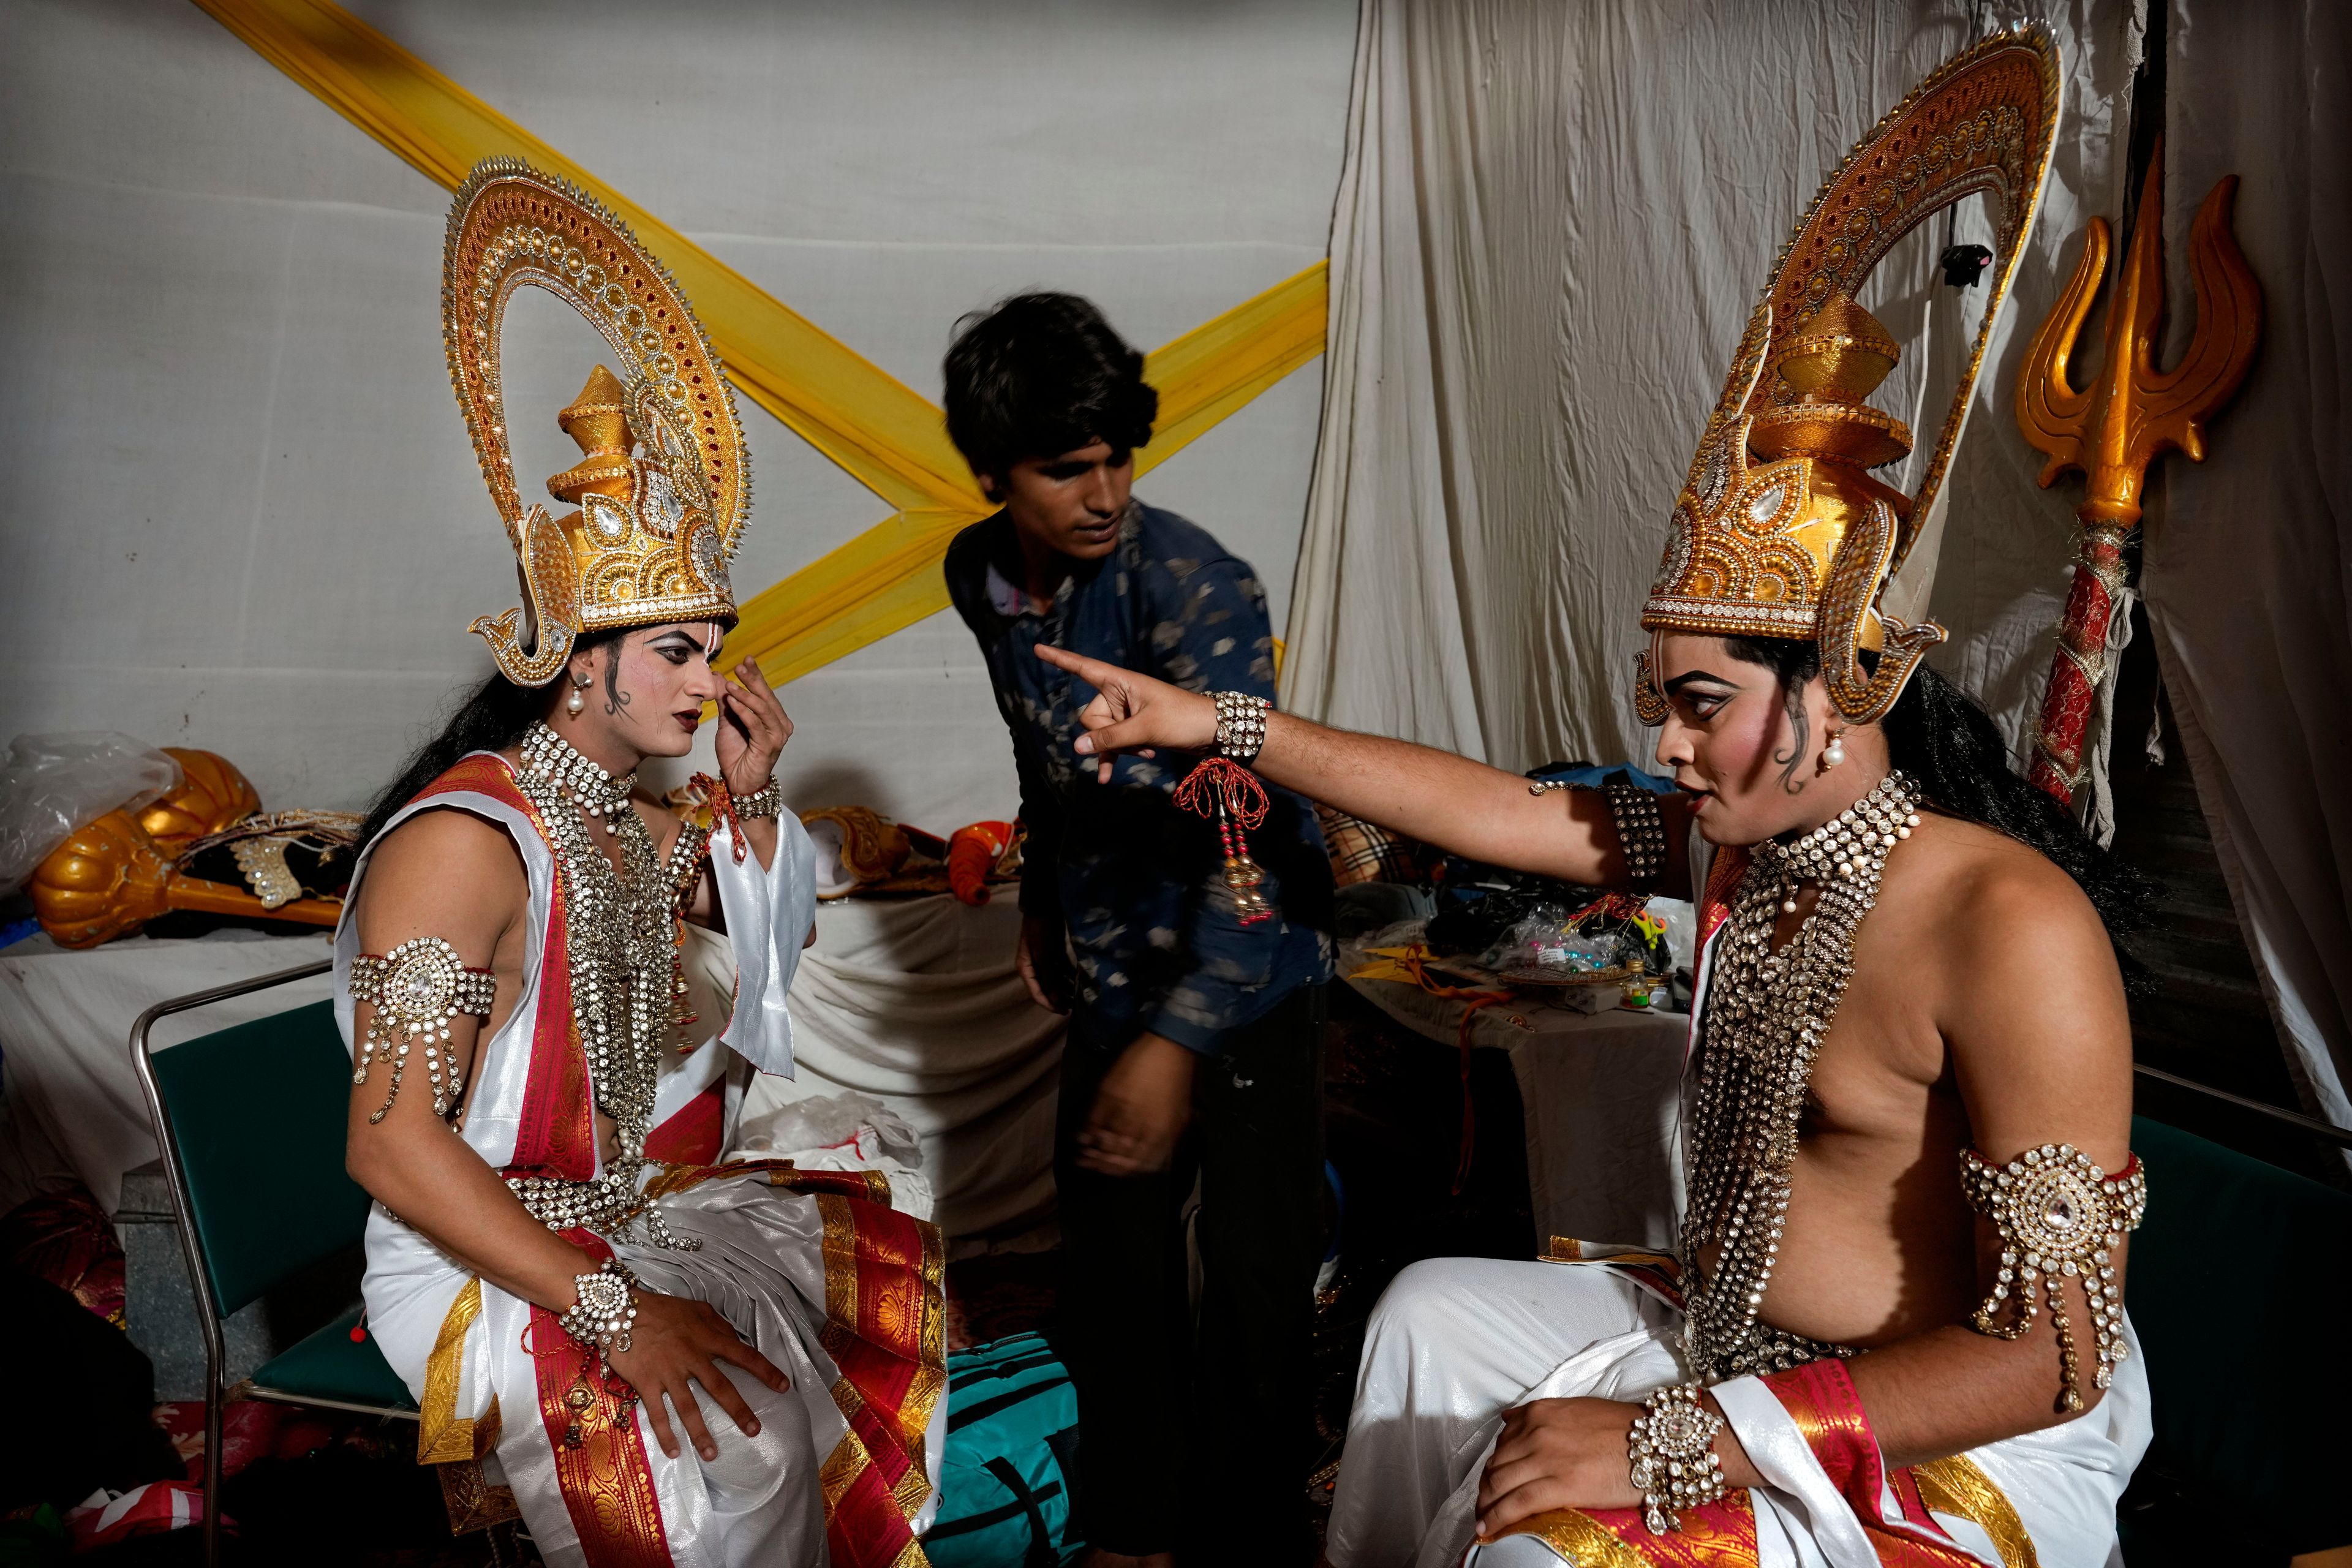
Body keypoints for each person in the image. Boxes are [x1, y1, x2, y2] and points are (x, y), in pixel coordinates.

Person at [1030, 29, 2152, 1568]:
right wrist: (1219, 718)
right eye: (1663, 708)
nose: (1671, 752)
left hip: (1938, 1442)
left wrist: (1677, 1434)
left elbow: (2053, 1357)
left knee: (1544, 1547)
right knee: (1424, 1312)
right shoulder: (1754, 842)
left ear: (1840, 685)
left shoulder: (2006, 924)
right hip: (1726, 1336)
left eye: (1701, 706)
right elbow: (1499, 811)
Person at [341, 162, 945, 1568]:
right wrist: (622, 1310)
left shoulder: (621, 819)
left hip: (611, 1217)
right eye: (677, 648)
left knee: (853, 1272)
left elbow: (762, 952)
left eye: (711, 643)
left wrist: (755, 793)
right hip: (477, 1263)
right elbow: (389, 1141)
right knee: (751, 1432)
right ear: (573, 658)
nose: (708, 677)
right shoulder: (456, 845)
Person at [940, 293, 1336, 1565]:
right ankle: (1132, 1530)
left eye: (1120, 457)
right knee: (1111, 1270)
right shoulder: (976, 572)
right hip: (1114, 952)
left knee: (1255, 1284)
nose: (1105, 491)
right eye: (1069, 468)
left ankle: (1250, 1536)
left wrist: (1174, 1046)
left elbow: (1249, 824)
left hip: (1253, 959)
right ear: (993, 472)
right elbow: (1036, 744)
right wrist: (1045, 894)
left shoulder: (1196, 588)